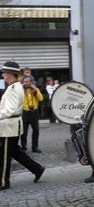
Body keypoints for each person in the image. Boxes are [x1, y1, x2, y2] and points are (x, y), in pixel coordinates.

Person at [0, 59, 45, 191]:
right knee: (15, 152)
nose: (2, 75)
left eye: (4, 73)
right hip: (11, 126)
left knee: (4, 156)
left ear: (10, 74)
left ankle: (3, 182)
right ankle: (37, 169)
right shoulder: (14, 87)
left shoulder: (14, 88)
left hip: (9, 127)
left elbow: (11, 109)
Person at [21, 76, 44, 153]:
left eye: (27, 82)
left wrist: (36, 89)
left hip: (34, 112)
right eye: (24, 82)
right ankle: (23, 147)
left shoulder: (35, 90)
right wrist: (21, 87)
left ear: (31, 82)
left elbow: (40, 99)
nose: (25, 83)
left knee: (36, 131)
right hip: (25, 112)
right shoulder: (21, 90)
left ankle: (35, 147)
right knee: (24, 132)